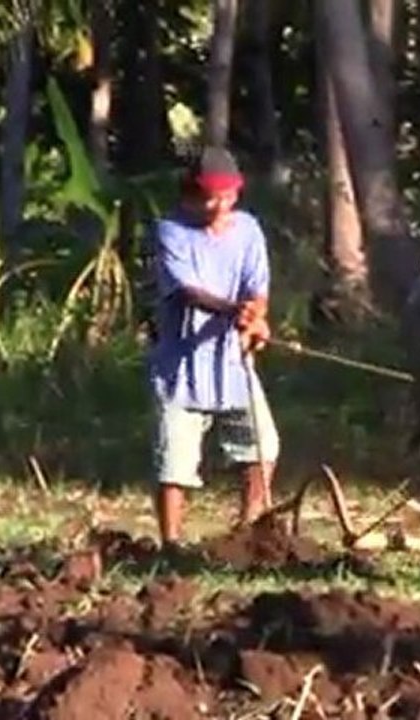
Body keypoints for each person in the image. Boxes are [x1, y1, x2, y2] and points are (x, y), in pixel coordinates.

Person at [148, 145, 279, 549]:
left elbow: (258, 287)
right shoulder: (170, 230)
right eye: (211, 196)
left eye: (228, 195)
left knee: (263, 445)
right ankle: (171, 543)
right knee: (175, 459)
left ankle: (249, 527)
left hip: (233, 361)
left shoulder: (248, 230)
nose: (221, 205)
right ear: (190, 193)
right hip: (181, 364)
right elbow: (187, 290)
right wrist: (231, 310)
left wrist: (255, 318)